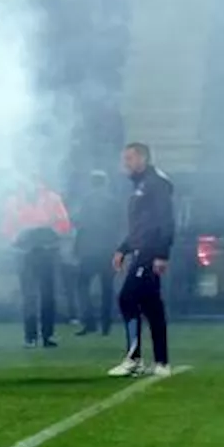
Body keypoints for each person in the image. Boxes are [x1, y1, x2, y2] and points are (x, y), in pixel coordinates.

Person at [107, 143, 175, 378]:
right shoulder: (143, 184)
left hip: (149, 251)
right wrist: (123, 248)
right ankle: (162, 361)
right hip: (141, 249)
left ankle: (134, 359)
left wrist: (161, 253)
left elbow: (165, 220)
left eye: (129, 158)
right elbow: (141, 225)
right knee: (151, 305)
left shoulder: (155, 183)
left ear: (143, 158)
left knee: (127, 298)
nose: (125, 164)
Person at [1, 176, 72, 349]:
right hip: (25, 253)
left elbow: (64, 224)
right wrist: (17, 241)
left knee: (48, 296)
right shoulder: (13, 201)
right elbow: (6, 228)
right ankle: (30, 337)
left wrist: (50, 236)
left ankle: (48, 336)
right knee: (29, 297)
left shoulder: (52, 199)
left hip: (46, 251)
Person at [72, 171, 124, 337]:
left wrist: (76, 248)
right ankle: (106, 324)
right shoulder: (114, 202)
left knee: (82, 285)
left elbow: (81, 226)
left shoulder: (86, 201)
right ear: (105, 183)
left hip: (89, 251)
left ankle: (89, 322)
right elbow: (120, 226)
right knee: (107, 288)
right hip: (108, 250)